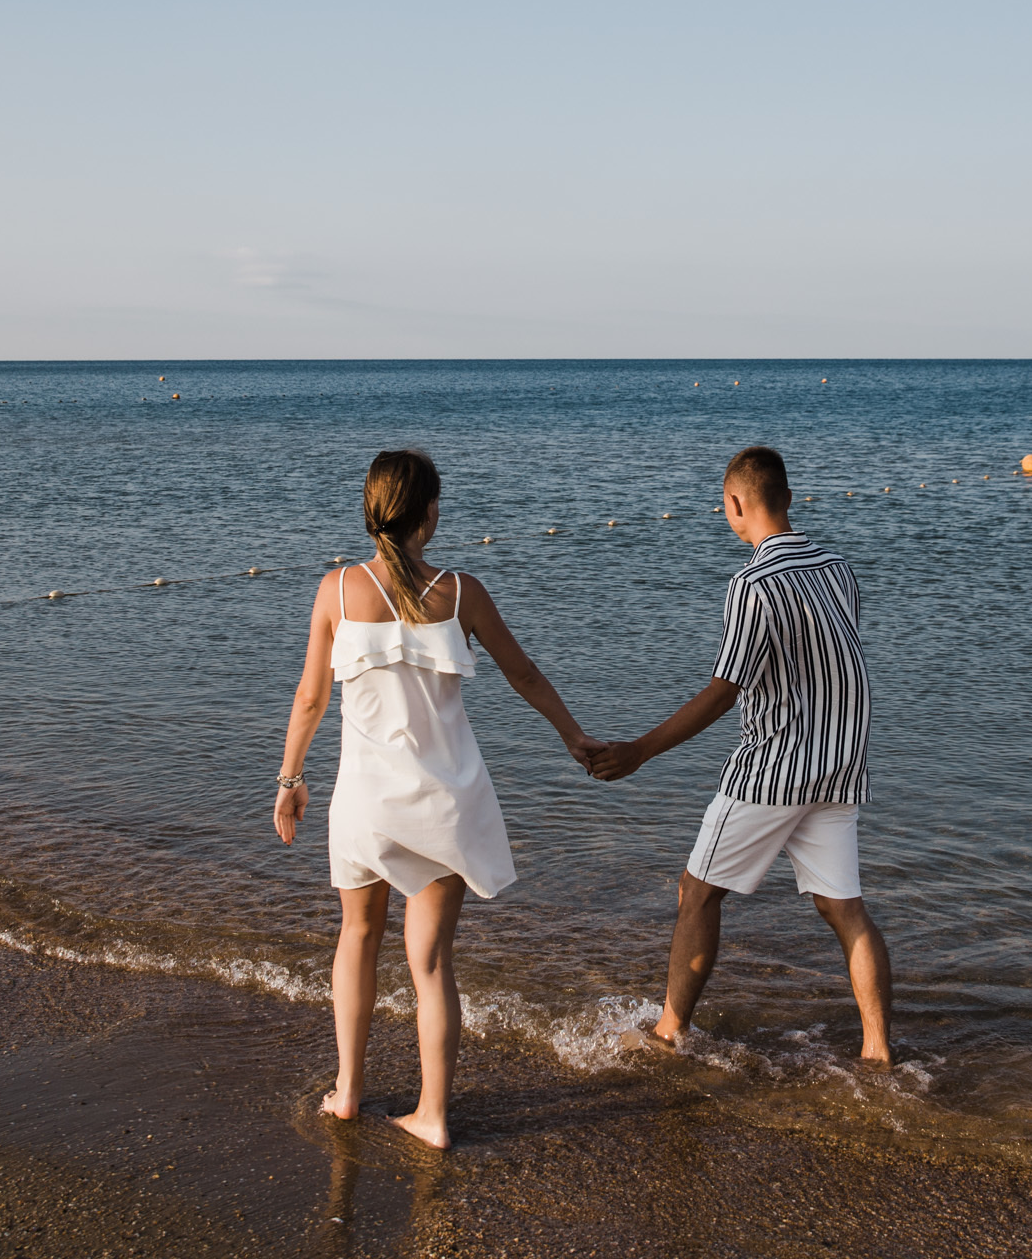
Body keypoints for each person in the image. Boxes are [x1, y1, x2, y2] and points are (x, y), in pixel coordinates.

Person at [276, 448, 601, 1149]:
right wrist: (573, 737)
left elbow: (309, 698)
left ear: (370, 511)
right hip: (446, 804)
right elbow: (526, 675)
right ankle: (432, 1116)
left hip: (366, 804)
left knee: (357, 938)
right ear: (431, 512)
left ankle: (349, 1093)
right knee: (430, 964)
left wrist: (289, 780)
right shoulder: (463, 591)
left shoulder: (335, 591)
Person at [589, 445, 892, 1063]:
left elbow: (725, 690)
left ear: (735, 504)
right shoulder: (838, 568)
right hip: (842, 763)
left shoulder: (752, 583)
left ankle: (669, 1033)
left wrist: (641, 751)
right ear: (787, 497)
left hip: (776, 769)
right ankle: (878, 1051)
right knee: (846, 909)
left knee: (697, 892)